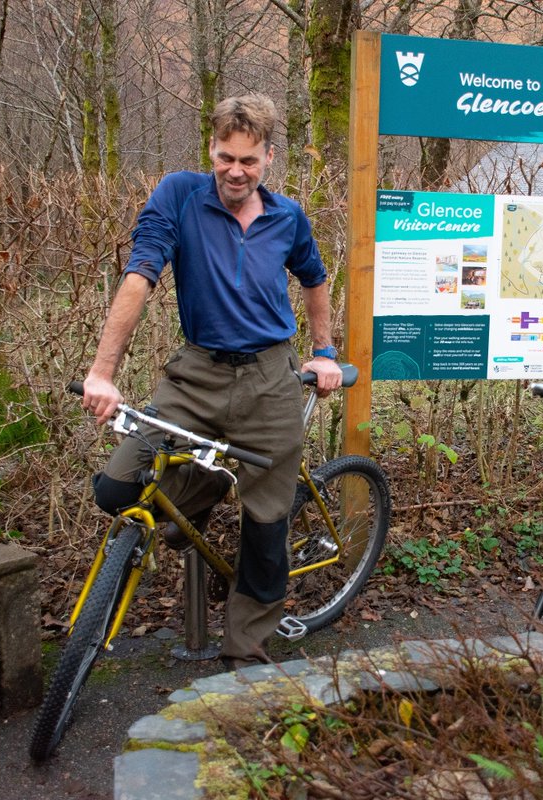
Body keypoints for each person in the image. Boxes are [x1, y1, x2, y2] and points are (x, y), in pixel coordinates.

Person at [79, 93, 343, 666]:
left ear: (269, 157)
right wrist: (102, 373)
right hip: (195, 373)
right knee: (117, 488)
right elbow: (139, 275)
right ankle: (212, 481)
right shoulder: (180, 194)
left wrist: (323, 351)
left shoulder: (287, 216)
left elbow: (315, 278)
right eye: (226, 157)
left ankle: (245, 648)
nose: (236, 171)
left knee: (268, 519)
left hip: (271, 374)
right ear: (211, 150)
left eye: (248, 160)